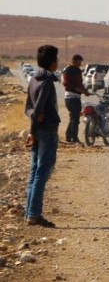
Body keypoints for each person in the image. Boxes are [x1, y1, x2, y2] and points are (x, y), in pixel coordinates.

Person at [25, 44, 61, 228]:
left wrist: (33, 124)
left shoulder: (33, 79)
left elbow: (28, 109)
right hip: (46, 131)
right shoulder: (47, 81)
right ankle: (34, 214)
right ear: (53, 62)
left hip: (38, 130)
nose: (58, 62)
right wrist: (32, 129)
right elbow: (37, 108)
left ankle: (29, 212)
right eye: (57, 59)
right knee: (42, 171)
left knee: (34, 171)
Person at [62, 54, 90, 143]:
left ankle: (68, 136)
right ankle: (74, 138)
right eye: (78, 62)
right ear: (73, 61)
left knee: (74, 117)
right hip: (70, 97)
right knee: (75, 119)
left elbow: (80, 84)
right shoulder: (68, 70)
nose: (80, 64)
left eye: (80, 62)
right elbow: (66, 84)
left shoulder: (78, 70)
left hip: (77, 97)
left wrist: (84, 90)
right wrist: (78, 89)